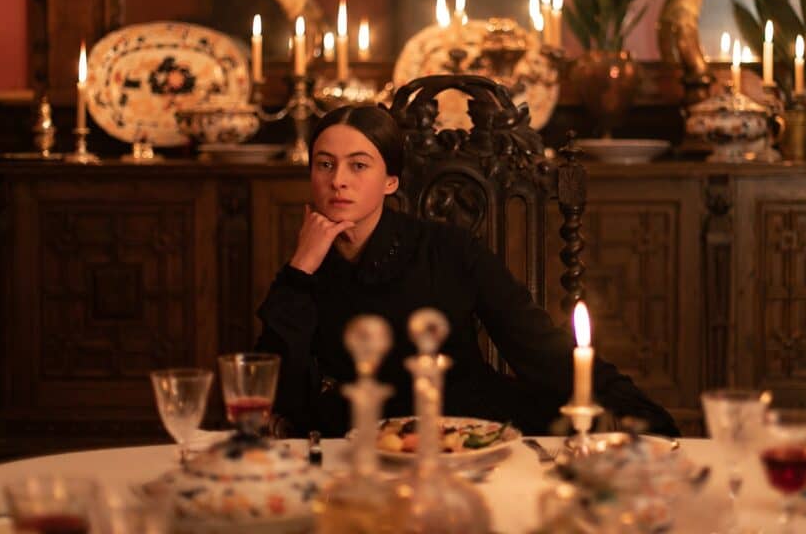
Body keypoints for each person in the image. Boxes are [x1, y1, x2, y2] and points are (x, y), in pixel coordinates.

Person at [255, 104, 679, 438]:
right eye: (325, 164)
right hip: (358, 448)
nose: (338, 181)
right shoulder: (305, 266)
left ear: (390, 181)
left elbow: (540, 350)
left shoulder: (448, 250)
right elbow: (271, 389)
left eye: (359, 165)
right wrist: (301, 267)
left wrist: (643, 417)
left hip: (466, 434)